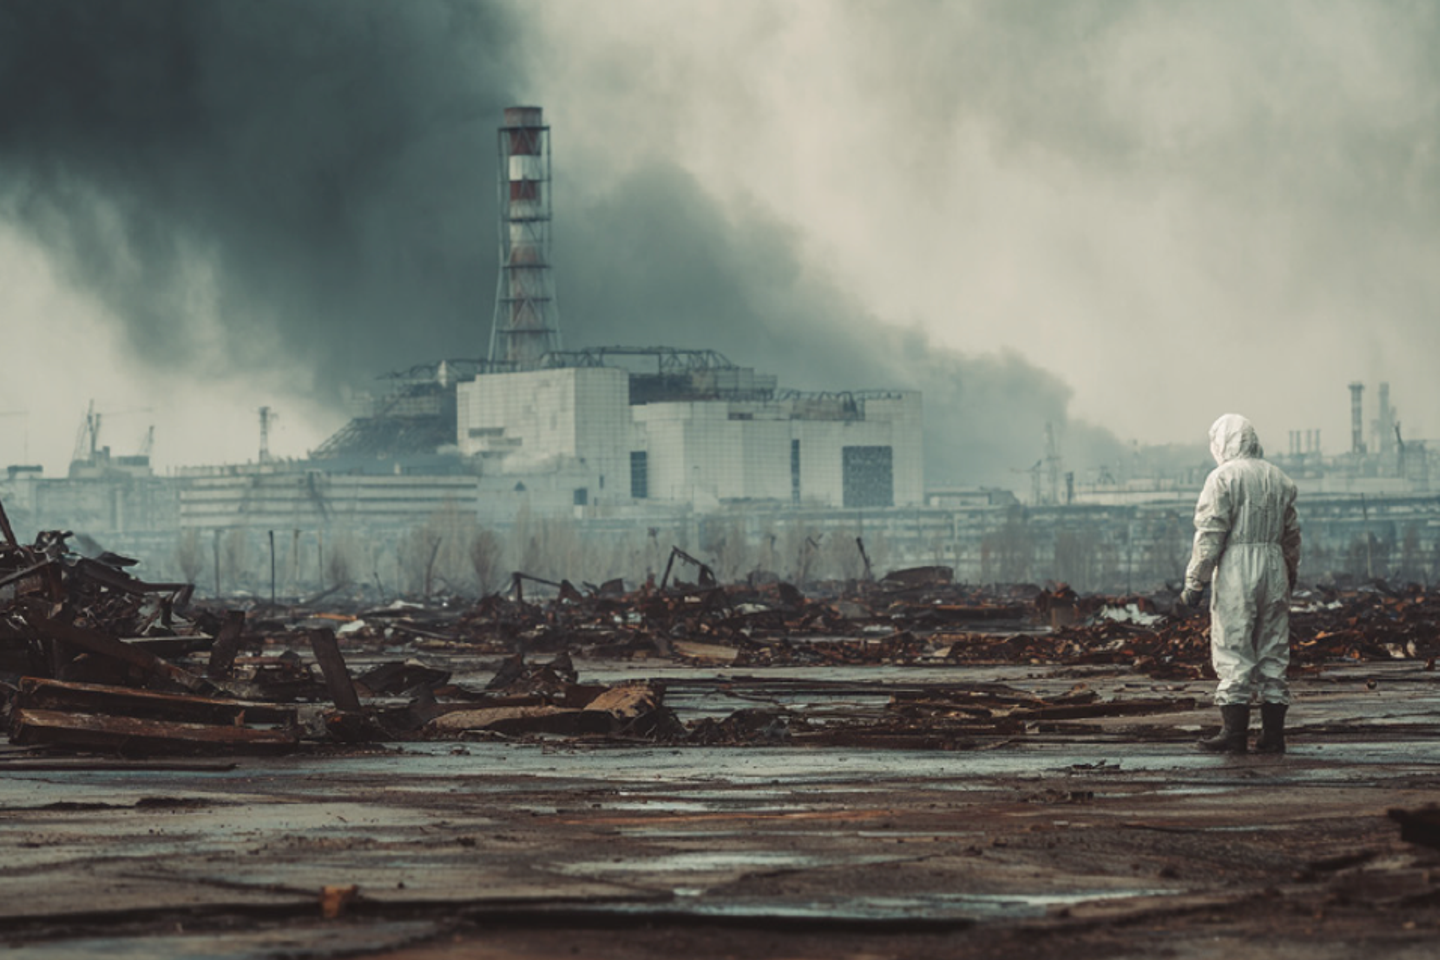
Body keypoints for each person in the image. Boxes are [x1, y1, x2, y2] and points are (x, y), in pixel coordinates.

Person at [1180, 414, 1301, 754]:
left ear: (1223, 443)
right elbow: (1292, 536)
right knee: (1273, 648)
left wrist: (1195, 581)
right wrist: (1289, 574)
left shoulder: (1222, 478)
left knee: (1233, 645)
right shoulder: (1279, 479)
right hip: (1274, 565)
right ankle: (1273, 736)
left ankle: (1234, 735)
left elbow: (1210, 533)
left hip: (1236, 567)